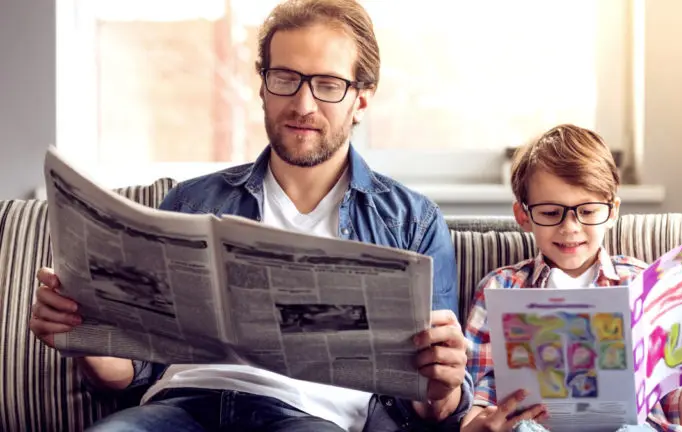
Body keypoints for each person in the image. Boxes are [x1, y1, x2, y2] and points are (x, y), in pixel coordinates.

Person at [29, 0, 472, 430]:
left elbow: (432, 407)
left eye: (329, 84)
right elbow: (129, 373)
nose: (303, 104)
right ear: (262, 85)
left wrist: (443, 384)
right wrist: (81, 334)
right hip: (180, 407)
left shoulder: (412, 221)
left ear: (362, 98)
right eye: (285, 77)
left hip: (311, 417)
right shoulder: (191, 202)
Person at [460, 124, 682, 432]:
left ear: (612, 212)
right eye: (549, 213)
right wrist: (483, 426)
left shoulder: (642, 283)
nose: (570, 227)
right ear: (523, 216)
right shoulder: (501, 287)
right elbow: (475, 406)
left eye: (587, 211)